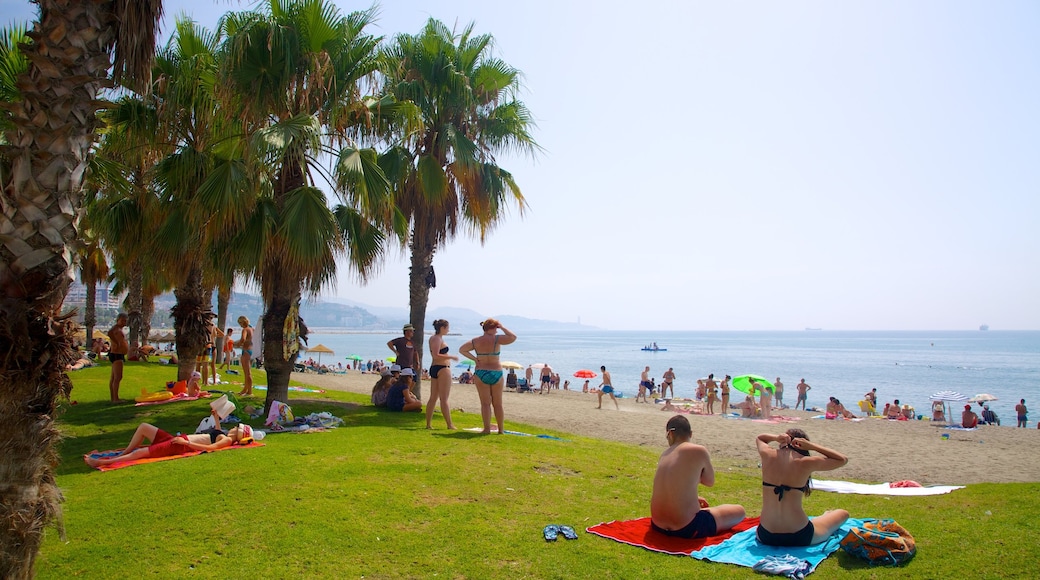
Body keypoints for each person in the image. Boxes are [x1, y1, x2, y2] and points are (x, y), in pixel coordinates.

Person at [650, 415, 746, 538]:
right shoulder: (699, 450)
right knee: (739, 511)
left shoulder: (665, 454)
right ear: (691, 433)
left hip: (658, 525)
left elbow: (671, 484)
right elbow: (709, 481)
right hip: (687, 527)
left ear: (670, 434)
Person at [756, 429, 849, 547]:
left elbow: (760, 438)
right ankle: (826, 516)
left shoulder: (767, 455)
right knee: (842, 513)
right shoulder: (806, 462)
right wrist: (813, 446)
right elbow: (842, 459)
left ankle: (824, 517)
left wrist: (776, 437)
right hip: (800, 535)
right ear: (803, 444)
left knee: (821, 521)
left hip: (765, 534)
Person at [84, 418, 261, 467]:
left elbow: (210, 447)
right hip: (177, 439)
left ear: (239, 434)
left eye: (237, 428)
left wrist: (187, 445)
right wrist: (215, 415)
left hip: (179, 444)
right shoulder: (223, 433)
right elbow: (214, 432)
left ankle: (102, 462)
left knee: (139, 454)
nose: (234, 428)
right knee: (144, 427)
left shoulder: (227, 440)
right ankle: (122, 454)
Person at [459, 319, 517, 434]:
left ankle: (486, 429)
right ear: (492, 328)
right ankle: (501, 430)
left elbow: (462, 350)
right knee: (498, 404)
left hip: (481, 372)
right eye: (496, 327)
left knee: (485, 403)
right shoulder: (497, 339)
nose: (497, 330)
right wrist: (503, 327)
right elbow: (513, 337)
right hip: (496, 372)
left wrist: (475, 359)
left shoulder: (476, 341)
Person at [426, 319, 458, 429]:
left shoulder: (435, 338)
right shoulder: (436, 339)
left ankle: (429, 424)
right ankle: (449, 424)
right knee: (443, 398)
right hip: (442, 368)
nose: (448, 330)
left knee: (434, 397)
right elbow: (435, 355)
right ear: (442, 328)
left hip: (436, 367)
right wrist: (451, 357)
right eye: (447, 328)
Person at [108, 313, 129, 403]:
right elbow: (109, 333)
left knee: (114, 377)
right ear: (118, 320)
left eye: (125, 320)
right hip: (117, 354)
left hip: (118, 354)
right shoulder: (116, 328)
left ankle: (113, 398)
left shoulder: (119, 329)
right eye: (123, 320)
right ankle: (115, 399)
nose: (124, 322)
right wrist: (117, 343)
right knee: (118, 377)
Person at [236, 316, 254, 396]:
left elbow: (243, 339)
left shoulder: (245, 329)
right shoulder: (252, 329)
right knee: (248, 372)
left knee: (247, 372)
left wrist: (238, 344)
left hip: (246, 351)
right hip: (252, 351)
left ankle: (249, 391)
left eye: (240, 323)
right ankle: (245, 390)